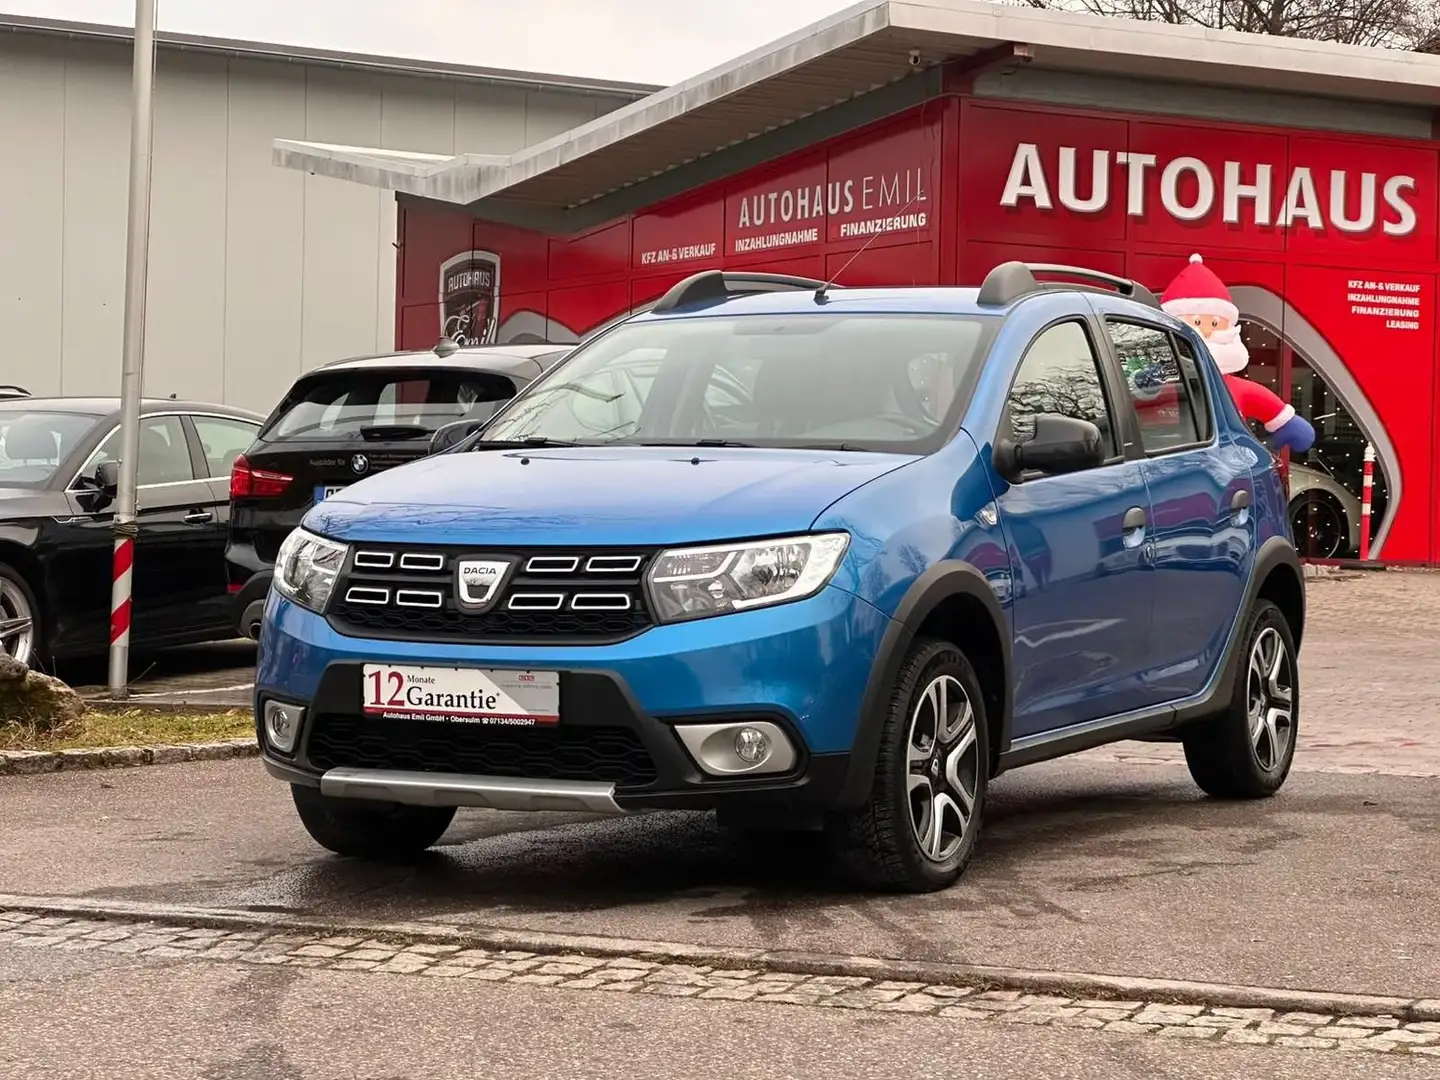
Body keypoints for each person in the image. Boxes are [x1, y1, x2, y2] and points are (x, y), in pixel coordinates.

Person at [1159, 254, 1315, 453]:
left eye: (1215, 323)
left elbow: (1258, 399)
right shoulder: (1163, 381)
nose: (1206, 331)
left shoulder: (1233, 388)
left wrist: (1287, 423)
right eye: (1197, 322)